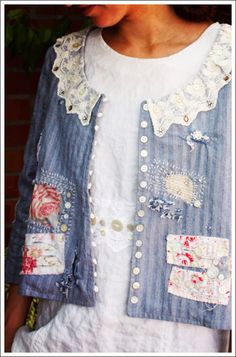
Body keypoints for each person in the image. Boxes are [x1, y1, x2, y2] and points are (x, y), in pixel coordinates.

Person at [5, 4, 232, 353]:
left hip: (179, 344)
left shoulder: (223, 64)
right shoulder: (64, 62)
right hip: (60, 341)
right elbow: (33, 202)